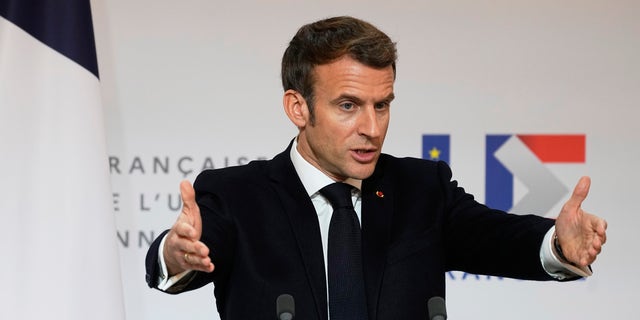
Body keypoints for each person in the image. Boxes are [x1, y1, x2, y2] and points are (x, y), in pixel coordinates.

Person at [145, 16, 607, 319]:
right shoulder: (238, 195)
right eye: (348, 105)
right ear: (297, 107)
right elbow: (191, 253)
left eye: (381, 105)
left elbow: (497, 238)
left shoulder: (422, 189)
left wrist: (557, 243)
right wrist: (175, 253)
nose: (371, 127)